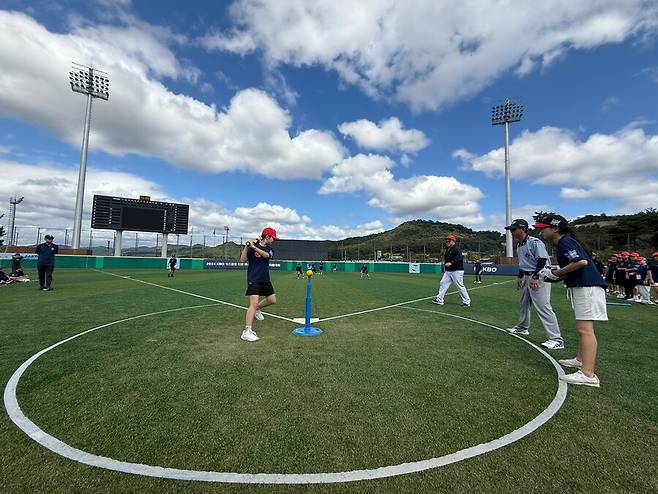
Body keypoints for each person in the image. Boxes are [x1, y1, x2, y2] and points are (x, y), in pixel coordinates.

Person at [534, 213, 606, 388]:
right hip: (583, 286)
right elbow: (574, 266)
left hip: (587, 287)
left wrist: (554, 273)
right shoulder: (563, 243)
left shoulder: (565, 242)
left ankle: (588, 374)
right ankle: (580, 360)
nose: (540, 233)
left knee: (585, 329)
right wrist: (555, 276)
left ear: (555, 229)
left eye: (543, 229)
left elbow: (580, 262)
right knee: (584, 327)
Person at [504, 219, 564, 350]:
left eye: (513, 229)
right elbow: (522, 262)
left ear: (522, 229)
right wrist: (520, 277)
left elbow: (542, 260)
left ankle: (556, 339)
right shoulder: (519, 244)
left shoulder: (535, 242)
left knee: (543, 306)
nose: (511, 232)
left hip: (538, 276)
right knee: (524, 304)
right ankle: (522, 327)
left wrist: (536, 277)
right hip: (526, 276)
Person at [239, 227, 279, 342]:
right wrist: (247, 246)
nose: (274, 240)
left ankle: (257, 309)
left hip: (265, 279)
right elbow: (242, 260)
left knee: (272, 300)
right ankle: (247, 331)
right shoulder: (251, 247)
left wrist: (254, 247)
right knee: (253, 303)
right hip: (254, 278)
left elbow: (266, 255)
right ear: (267, 236)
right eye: (273, 238)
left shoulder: (270, 249)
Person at [433, 234, 470, 307]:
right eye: (446, 241)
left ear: (453, 241)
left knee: (460, 286)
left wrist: (451, 263)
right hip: (449, 271)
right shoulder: (448, 249)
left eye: (449, 241)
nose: (447, 242)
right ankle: (439, 299)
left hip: (457, 270)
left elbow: (459, 258)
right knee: (443, 283)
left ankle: (467, 301)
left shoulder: (456, 249)